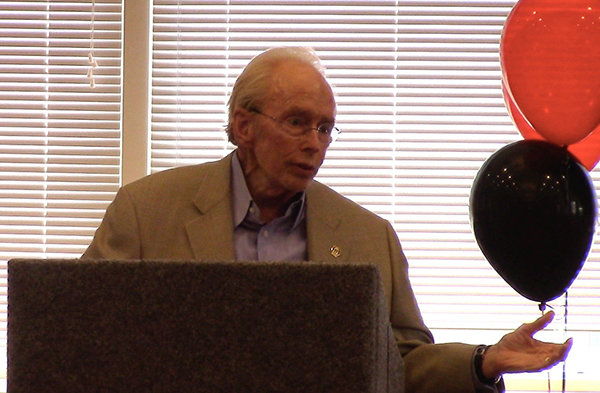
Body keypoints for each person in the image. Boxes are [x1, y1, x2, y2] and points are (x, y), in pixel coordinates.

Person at [83, 46, 571, 392]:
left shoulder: (367, 235)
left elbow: (401, 366)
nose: (314, 142)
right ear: (243, 126)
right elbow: (81, 336)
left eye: (325, 128)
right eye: (297, 122)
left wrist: (484, 361)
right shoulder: (146, 212)